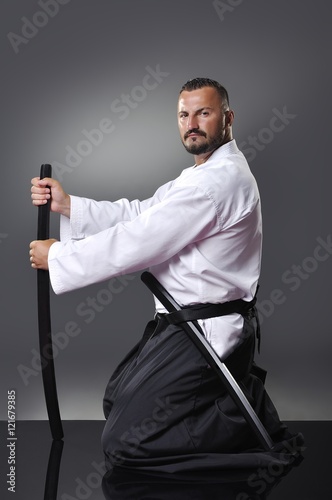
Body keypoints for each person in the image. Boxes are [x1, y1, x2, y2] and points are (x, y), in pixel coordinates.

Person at [30, 78, 304, 471]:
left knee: (126, 442)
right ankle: (232, 401)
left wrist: (60, 256)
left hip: (205, 333)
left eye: (203, 113)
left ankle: (240, 423)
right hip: (179, 325)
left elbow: (140, 240)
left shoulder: (219, 182)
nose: (191, 123)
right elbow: (142, 214)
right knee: (115, 399)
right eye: (183, 114)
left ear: (228, 118)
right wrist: (70, 205)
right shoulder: (198, 175)